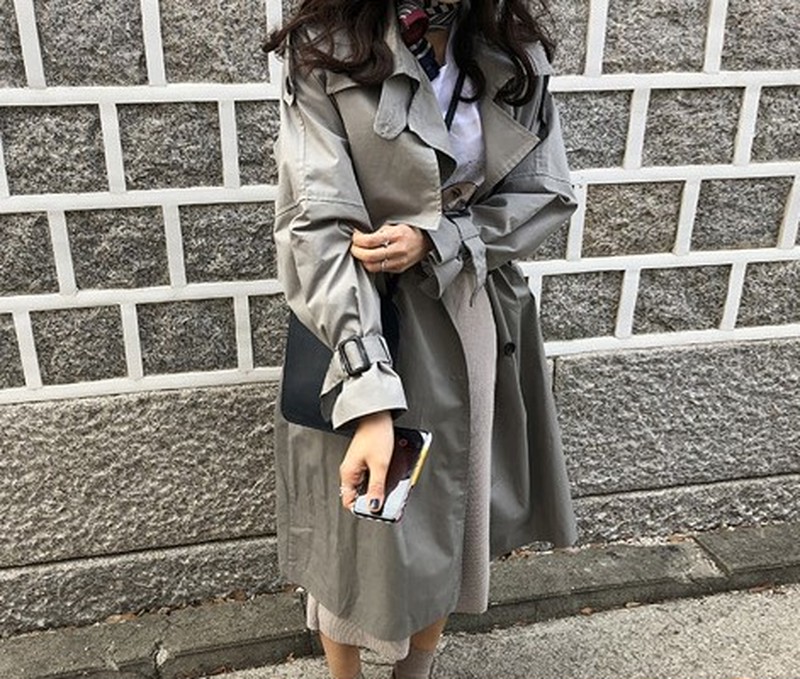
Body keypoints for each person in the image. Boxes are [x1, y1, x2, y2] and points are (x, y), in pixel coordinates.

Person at [265, 1, 578, 677]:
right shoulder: (328, 46)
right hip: (355, 315)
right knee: (356, 534)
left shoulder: (508, 46)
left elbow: (546, 190)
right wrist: (370, 398)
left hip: (463, 310)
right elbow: (314, 223)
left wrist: (442, 237)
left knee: (446, 522)